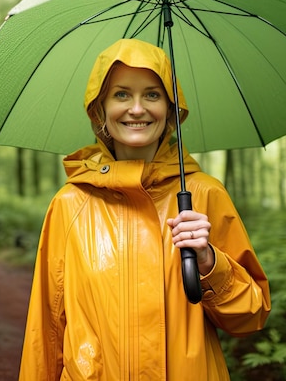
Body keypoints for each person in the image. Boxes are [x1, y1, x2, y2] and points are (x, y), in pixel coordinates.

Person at [19, 38, 271, 380]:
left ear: (170, 109)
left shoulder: (204, 194)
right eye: (121, 94)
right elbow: (46, 329)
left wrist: (211, 262)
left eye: (152, 94)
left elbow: (251, 315)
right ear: (100, 110)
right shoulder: (69, 204)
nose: (137, 109)